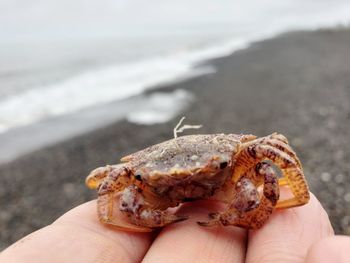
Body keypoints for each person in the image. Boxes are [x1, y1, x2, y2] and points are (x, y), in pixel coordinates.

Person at [0, 193, 349, 263]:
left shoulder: (242, 158)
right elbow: (106, 186)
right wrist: (115, 217)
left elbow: (272, 168)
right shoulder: (135, 179)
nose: (188, 182)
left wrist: (241, 216)